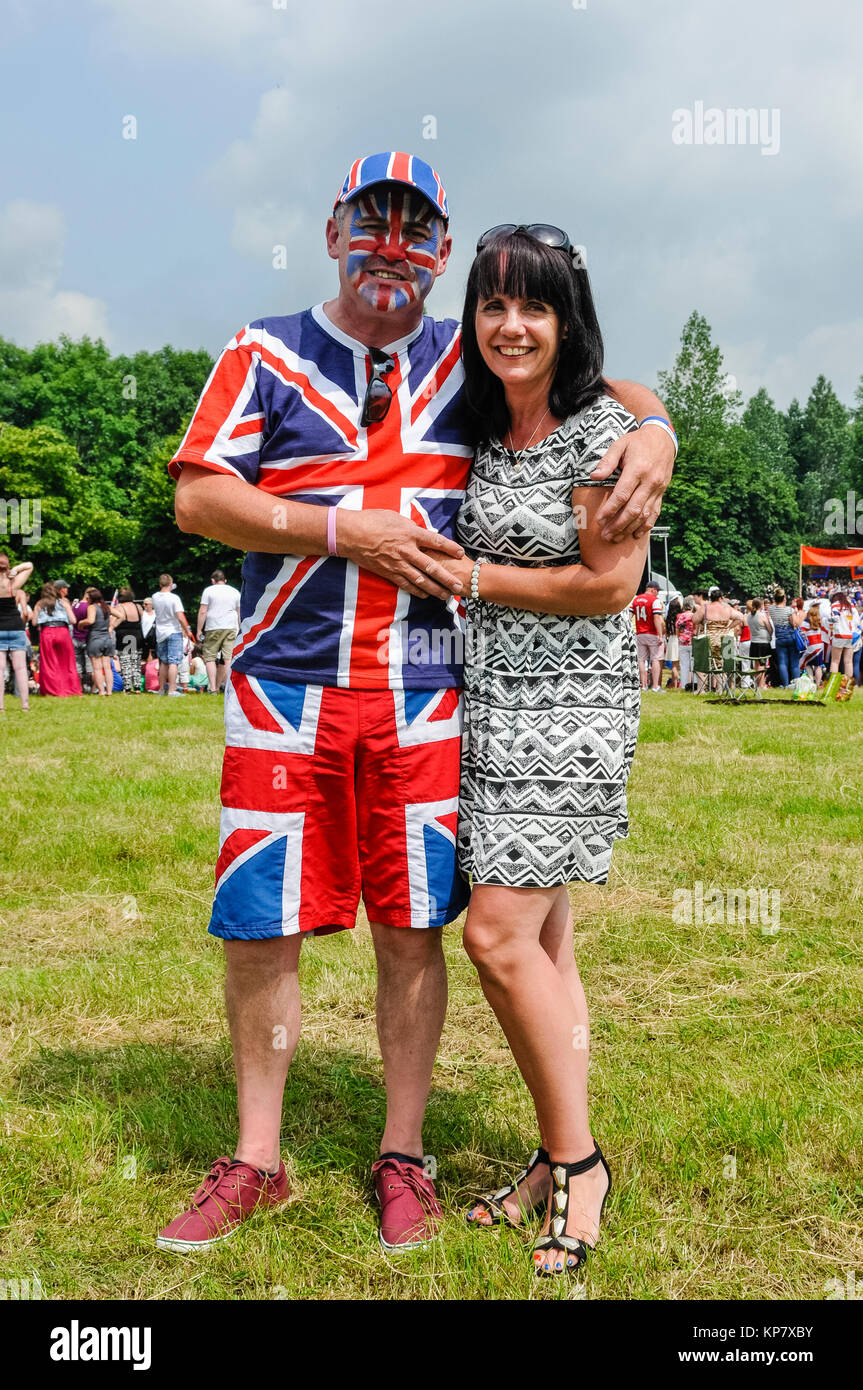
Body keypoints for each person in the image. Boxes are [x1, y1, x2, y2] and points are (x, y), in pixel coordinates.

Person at [159, 153, 677, 1258]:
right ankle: (257, 1159)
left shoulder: (467, 358)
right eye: (372, 221)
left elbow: (600, 385)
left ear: (440, 254)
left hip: (428, 691)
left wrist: (657, 432)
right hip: (285, 683)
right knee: (265, 925)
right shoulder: (263, 350)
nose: (390, 247)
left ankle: (404, 1152)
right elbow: (201, 496)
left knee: (410, 928)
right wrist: (349, 530)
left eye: (415, 231)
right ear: (334, 226)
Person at [446, 226, 652, 1277]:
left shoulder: (595, 431)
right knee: (545, 948)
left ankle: (580, 1165)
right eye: (492, 305)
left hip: (566, 717)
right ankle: (549, 1145)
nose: (510, 326)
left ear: (565, 319)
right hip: (485, 708)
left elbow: (607, 586)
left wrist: (649, 424)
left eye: (534, 307)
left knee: (494, 938)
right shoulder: (483, 419)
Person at [31, 582, 82, 696]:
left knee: (49, 663)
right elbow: (73, 620)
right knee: (67, 662)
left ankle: (53, 690)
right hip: (62, 632)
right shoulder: (64, 602)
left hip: (47, 632)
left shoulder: (39, 604)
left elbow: (34, 622)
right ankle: (71, 689)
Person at [196, 569, 241, 693]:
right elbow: (239, 612)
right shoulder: (235, 591)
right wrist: (240, 627)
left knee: (210, 657)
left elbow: (203, 611)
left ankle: (213, 688)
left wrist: (199, 630)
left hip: (213, 626)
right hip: (231, 626)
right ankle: (228, 687)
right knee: (227, 658)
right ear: (225, 580)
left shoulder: (209, 591)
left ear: (212, 580)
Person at [151, 574, 195, 696]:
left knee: (163, 662)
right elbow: (180, 616)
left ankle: (161, 689)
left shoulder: (154, 597)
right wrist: (187, 631)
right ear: (171, 583)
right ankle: (172, 689)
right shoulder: (174, 598)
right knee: (173, 662)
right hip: (174, 631)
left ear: (160, 584)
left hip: (160, 632)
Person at [0, 555, 33, 712]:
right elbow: (30, 565)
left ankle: (0, 706)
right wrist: (16, 569)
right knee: (20, 668)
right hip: (16, 627)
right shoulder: (15, 584)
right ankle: (25, 706)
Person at [80, 588, 123, 696]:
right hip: (107, 640)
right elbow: (121, 616)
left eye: (88, 598)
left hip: (95, 639)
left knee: (97, 668)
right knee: (107, 667)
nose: (87, 599)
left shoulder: (92, 607)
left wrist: (81, 623)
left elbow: (90, 620)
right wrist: (111, 626)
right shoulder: (106, 607)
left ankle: (102, 692)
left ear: (92, 598)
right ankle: (109, 691)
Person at [632, 580, 665, 692]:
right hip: (652, 633)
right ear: (653, 589)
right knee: (655, 659)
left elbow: (629, 615)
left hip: (640, 633)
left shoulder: (636, 599)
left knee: (641, 659)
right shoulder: (655, 600)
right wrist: (660, 634)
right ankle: (655, 686)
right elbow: (656, 618)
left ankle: (643, 685)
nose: (658, 594)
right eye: (657, 591)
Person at [112, 587, 145, 692]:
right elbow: (143, 620)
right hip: (137, 636)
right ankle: (137, 687)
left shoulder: (119, 607)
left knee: (125, 661)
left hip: (124, 637)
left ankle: (127, 688)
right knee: (136, 662)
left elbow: (112, 623)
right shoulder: (138, 607)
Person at [767, 589, 800, 688]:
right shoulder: (789, 610)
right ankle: (796, 684)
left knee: (782, 663)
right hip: (790, 637)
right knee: (794, 663)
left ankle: (785, 685)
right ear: (784, 598)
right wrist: (796, 614)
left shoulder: (771, 609)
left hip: (779, 639)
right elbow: (794, 623)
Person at [747, 598, 773, 691]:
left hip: (754, 642)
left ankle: (757, 684)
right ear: (761, 605)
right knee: (762, 664)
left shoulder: (749, 616)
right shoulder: (762, 615)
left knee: (756, 665)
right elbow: (770, 628)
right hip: (763, 642)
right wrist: (770, 635)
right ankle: (761, 685)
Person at [829, 591, 855, 681]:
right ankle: (847, 685)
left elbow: (834, 619)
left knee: (835, 661)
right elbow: (856, 620)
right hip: (850, 635)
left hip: (839, 635)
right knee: (848, 662)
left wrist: (827, 619)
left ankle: (833, 684)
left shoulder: (835, 605)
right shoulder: (850, 605)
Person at [676, 596, 695, 690]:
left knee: (684, 665)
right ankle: (695, 684)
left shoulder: (680, 616)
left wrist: (678, 638)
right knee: (694, 665)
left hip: (682, 642)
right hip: (692, 642)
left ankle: (684, 685)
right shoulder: (694, 616)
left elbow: (677, 628)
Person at [664, 594, 682, 688]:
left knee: (674, 665)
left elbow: (666, 632)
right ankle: (680, 683)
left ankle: (674, 684)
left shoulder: (668, 619)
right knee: (680, 665)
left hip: (671, 640)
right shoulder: (680, 617)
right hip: (679, 639)